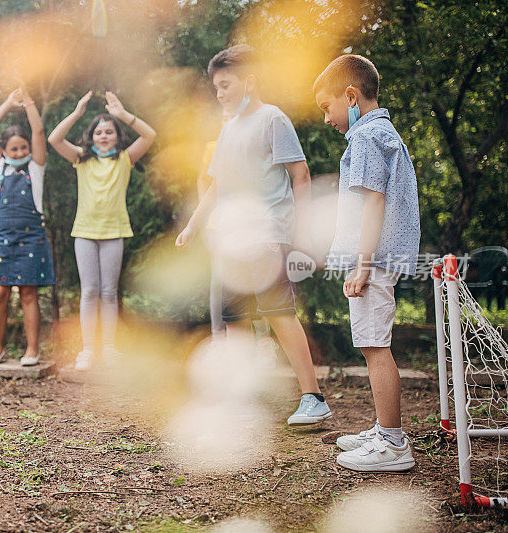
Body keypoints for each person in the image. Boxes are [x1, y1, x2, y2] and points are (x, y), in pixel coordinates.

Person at [176, 45, 331, 425]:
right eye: (216, 88)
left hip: (268, 237)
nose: (220, 93)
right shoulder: (228, 128)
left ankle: (313, 397)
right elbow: (216, 187)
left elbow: (301, 175)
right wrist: (194, 224)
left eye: (225, 85)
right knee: (234, 320)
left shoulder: (273, 119)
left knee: (279, 314)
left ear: (249, 81)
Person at [313, 54, 420, 471]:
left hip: (372, 259)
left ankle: (393, 444)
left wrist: (362, 263)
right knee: (372, 344)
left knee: (375, 347)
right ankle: (383, 428)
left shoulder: (366, 136)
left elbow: (373, 201)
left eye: (327, 107)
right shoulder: (382, 132)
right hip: (376, 258)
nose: (326, 119)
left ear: (351, 95)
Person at [48, 91, 156, 371]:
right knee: (90, 292)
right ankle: (87, 351)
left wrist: (123, 114)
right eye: (98, 132)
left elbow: (149, 136)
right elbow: (54, 139)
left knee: (109, 293)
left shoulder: (125, 159)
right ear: (91, 137)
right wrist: (77, 112)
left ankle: (108, 349)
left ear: (117, 136)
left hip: (114, 232)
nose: (104, 136)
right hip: (84, 232)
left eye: (109, 131)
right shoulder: (81, 159)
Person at [0, 88, 55, 367]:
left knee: (28, 292)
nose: (20, 152)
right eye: (14, 148)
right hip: (4, 237)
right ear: (3, 150)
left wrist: (29, 103)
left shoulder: (36, 169)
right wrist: (9, 103)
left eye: (23, 147)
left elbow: (38, 131)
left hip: (32, 238)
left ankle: (32, 350)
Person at [197, 108, 235, 340]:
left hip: (248, 225)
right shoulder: (212, 148)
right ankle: (218, 336)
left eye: (232, 116)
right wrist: (206, 211)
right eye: (224, 117)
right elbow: (203, 180)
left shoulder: (252, 146)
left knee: (253, 281)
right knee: (219, 279)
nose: (228, 121)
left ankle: (261, 341)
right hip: (218, 226)